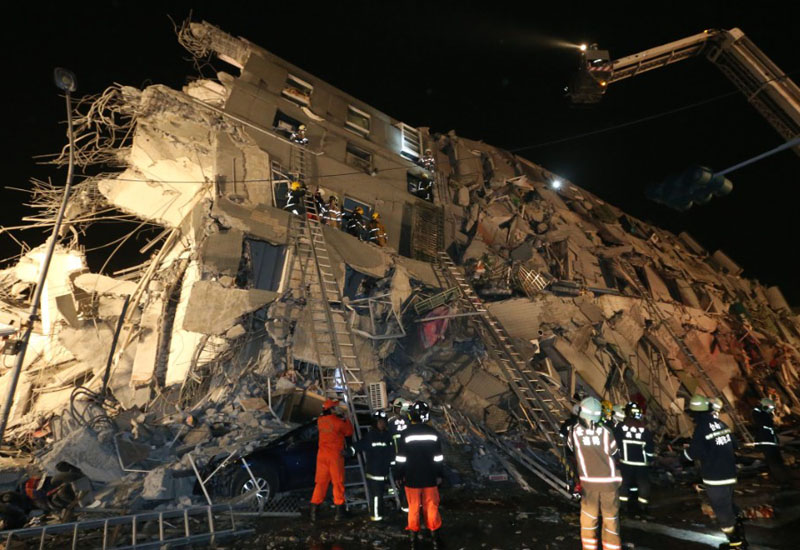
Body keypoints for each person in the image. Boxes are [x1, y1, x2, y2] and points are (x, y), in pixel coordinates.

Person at [683, 394, 746, 549]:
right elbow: (735, 445)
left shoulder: (701, 429)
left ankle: (736, 543)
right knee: (728, 505)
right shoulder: (720, 424)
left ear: (695, 413)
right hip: (730, 474)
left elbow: (692, 454)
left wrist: (681, 456)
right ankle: (740, 535)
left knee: (722, 511)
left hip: (715, 478)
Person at [567, 397, 622, 550]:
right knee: (610, 520)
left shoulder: (574, 432)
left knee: (588, 520)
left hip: (588, 484)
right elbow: (615, 454)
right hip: (609, 483)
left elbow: (571, 450)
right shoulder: (606, 432)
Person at [395, 401, 444, 549]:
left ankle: (413, 540)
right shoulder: (433, 433)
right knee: (431, 507)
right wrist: (439, 474)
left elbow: (401, 458)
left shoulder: (406, 434)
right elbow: (438, 458)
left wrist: (399, 475)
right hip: (430, 478)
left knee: (413, 508)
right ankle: (435, 538)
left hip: (411, 479)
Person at [310, 399, 354, 522]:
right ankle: (339, 512)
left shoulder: (320, 421)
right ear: (332, 409)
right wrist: (346, 419)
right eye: (335, 407)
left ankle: (314, 512)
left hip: (322, 455)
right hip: (335, 455)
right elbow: (349, 432)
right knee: (337, 482)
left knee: (320, 483)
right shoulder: (338, 422)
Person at [350, 410, 395, 522]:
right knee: (376, 497)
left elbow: (392, 452)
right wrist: (348, 451)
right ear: (375, 423)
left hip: (384, 472)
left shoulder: (387, 436)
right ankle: (376, 518)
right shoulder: (371, 436)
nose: (383, 424)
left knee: (382, 495)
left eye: (384, 422)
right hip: (374, 474)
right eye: (380, 422)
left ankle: (381, 513)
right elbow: (359, 445)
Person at [614, 402, 654, 515]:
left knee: (624, 484)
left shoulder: (621, 427)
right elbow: (650, 447)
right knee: (643, 484)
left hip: (626, 462)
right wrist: (650, 460)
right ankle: (643, 507)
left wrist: (615, 458)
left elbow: (614, 443)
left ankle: (623, 507)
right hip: (642, 464)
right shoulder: (644, 429)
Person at [752, 397, 790, 485]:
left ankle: (782, 479)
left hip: (771, 442)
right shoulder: (759, 413)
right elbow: (756, 412)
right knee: (774, 463)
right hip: (766, 442)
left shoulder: (765, 415)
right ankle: (782, 481)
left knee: (777, 461)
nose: (771, 410)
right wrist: (761, 406)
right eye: (770, 408)